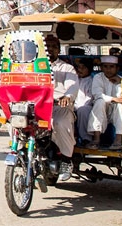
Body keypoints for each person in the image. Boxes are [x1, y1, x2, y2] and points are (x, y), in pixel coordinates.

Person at [44, 35, 78, 180]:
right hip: (38, 106)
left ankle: (66, 160)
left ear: (58, 50)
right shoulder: (33, 66)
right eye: (48, 46)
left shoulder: (66, 68)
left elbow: (73, 86)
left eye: (54, 47)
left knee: (60, 123)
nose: (50, 49)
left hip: (59, 105)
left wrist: (67, 97)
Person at [87, 55, 122, 150]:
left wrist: (119, 83)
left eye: (111, 67)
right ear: (101, 68)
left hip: (115, 110)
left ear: (117, 68)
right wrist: (113, 99)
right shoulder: (98, 77)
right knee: (99, 102)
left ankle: (118, 140)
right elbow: (98, 94)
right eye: (105, 67)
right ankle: (96, 139)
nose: (108, 70)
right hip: (102, 108)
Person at [73, 58, 95, 144]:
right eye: (79, 67)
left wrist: (77, 108)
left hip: (86, 107)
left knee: (83, 110)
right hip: (73, 106)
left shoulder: (91, 81)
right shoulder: (75, 80)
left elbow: (89, 99)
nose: (80, 70)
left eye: (83, 68)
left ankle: (85, 138)